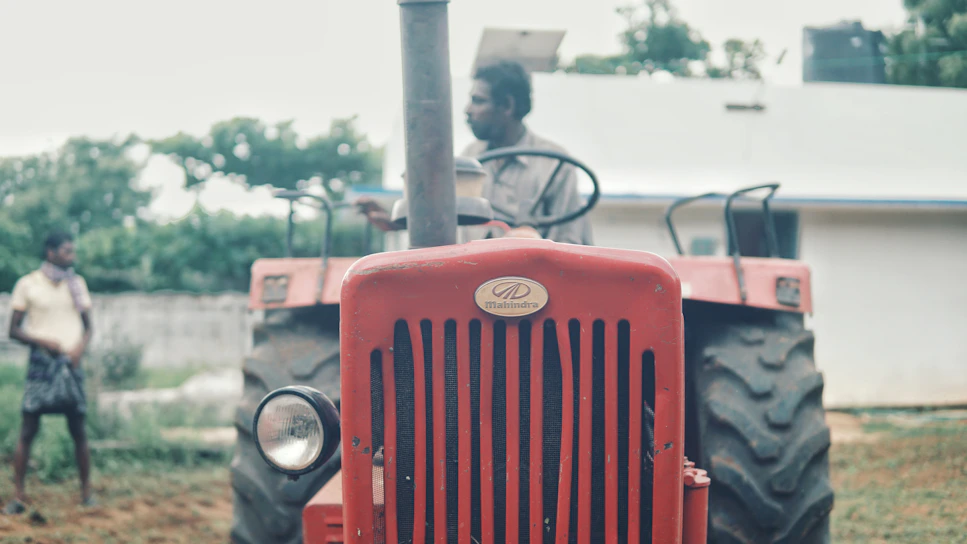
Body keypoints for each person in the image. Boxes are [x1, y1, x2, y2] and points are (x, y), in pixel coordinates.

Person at [357, 60, 594, 245]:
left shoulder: (553, 164)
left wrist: (526, 241)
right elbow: (447, 220)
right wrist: (398, 221)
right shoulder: (471, 158)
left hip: (534, 285)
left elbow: (569, 242)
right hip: (475, 281)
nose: (468, 110)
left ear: (507, 106)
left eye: (478, 101)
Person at [5, 231, 95, 514]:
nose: (72, 257)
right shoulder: (28, 285)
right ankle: (19, 496)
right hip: (41, 366)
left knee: (78, 429)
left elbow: (89, 326)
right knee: (29, 429)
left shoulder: (76, 284)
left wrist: (79, 349)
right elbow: (13, 330)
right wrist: (43, 341)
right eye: (67, 252)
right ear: (51, 252)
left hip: (71, 366)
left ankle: (87, 493)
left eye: (72, 251)